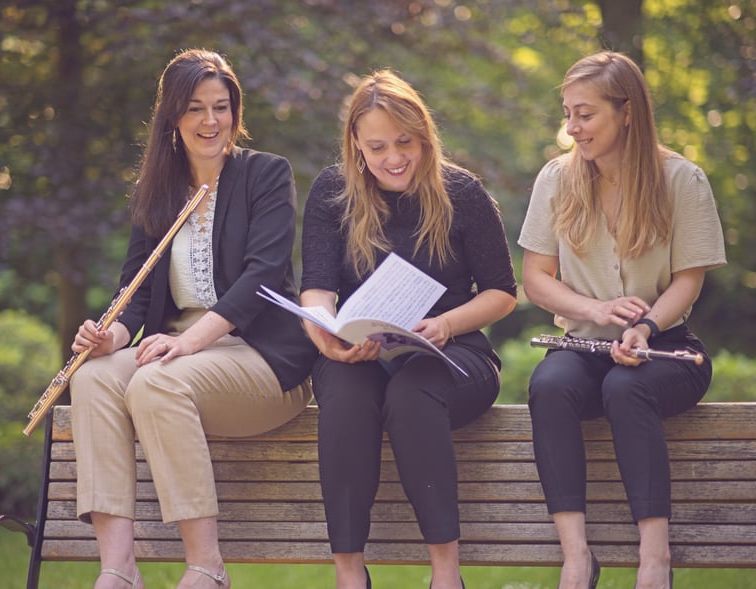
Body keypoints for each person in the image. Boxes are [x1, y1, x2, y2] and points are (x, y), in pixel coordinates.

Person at [69, 49, 317, 589]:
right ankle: (118, 568)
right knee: (89, 378)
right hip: (175, 352)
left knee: (157, 382)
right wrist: (107, 335)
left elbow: (264, 275)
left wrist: (191, 343)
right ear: (172, 118)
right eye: (196, 109)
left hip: (262, 359)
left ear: (234, 111)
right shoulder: (154, 192)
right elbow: (132, 294)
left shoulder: (265, 175)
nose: (210, 122)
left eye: (221, 107)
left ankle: (207, 567)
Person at [300, 69, 517, 589]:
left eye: (405, 142)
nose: (393, 157)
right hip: (362, 350)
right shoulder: (332, 192)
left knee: (413, 391)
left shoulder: (462, 193)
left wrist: (444, 323)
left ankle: (446, 573)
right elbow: (316, 287)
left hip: (454, 352)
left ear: (424, 136)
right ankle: (350, 574)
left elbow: (503, 293)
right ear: (355, 142)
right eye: (377, 146)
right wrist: (325, 334)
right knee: (347, 398)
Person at [518, 51, 726, 589]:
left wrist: (645, 326)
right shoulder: (556, 179)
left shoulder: (682, 180)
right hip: (582, 344)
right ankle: (576, 557)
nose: (572, 128)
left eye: (585, 114)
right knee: (548, 386)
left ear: (626, 111)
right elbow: (536, 277)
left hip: (666, 348)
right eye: (567, 113)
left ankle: (655, 559)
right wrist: (595, 310)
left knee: (627, 387)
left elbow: (688, 279)